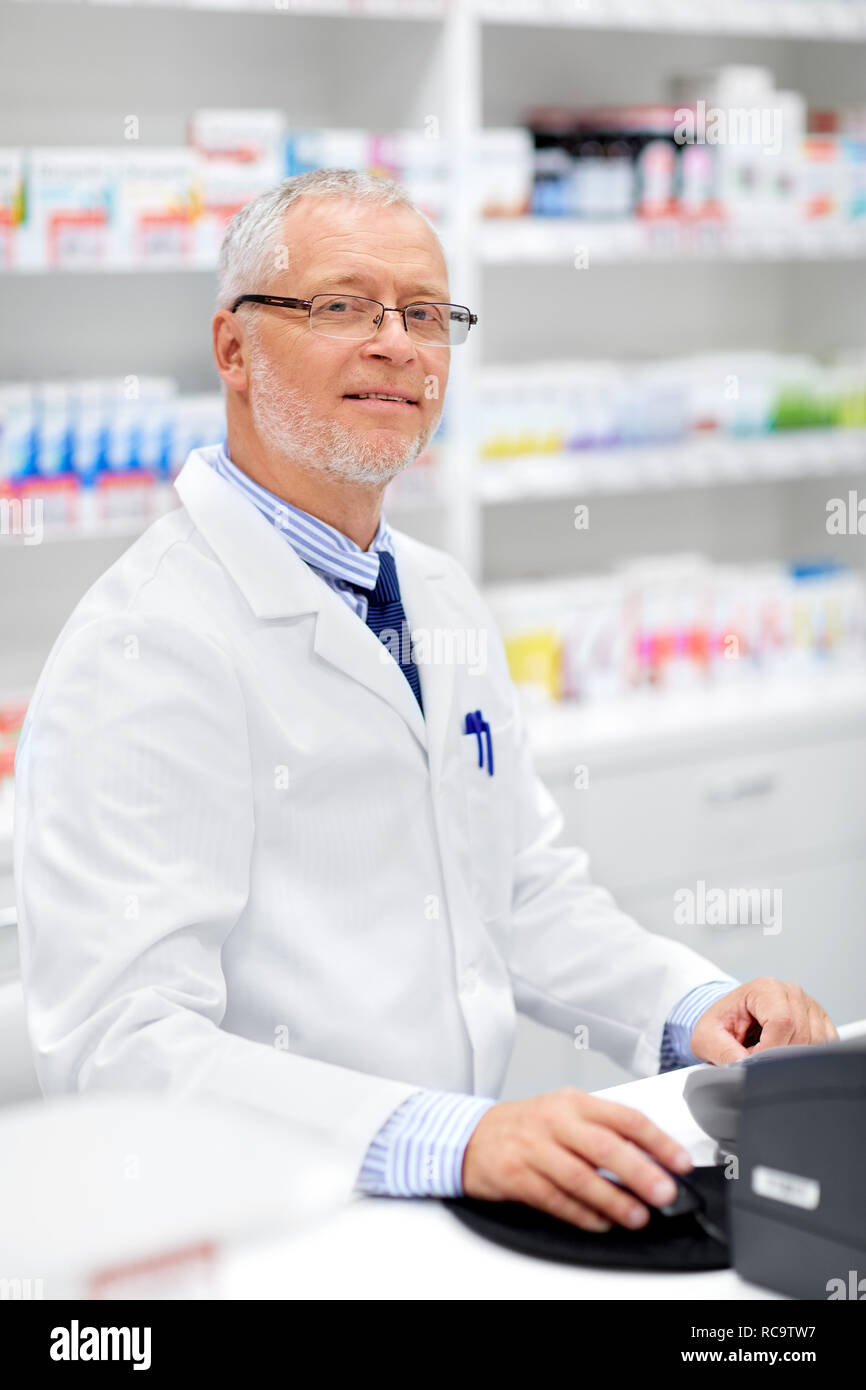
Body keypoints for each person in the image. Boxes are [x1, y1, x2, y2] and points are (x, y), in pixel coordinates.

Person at [15, 169, 838, 1234]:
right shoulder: (143, 646)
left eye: (425, 313)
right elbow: (119, 1045)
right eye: (343, 305)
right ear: (232, 349)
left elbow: (520, 888)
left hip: (453, 1201)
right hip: (268, 1220)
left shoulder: (435, 592)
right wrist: (446, 1136)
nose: (397, 343)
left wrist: (687, 1009)